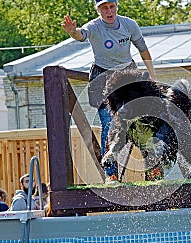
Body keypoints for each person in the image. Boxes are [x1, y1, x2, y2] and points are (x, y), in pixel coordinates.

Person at [61, 0, 157, 182]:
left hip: (128, 74)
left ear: (116, 7)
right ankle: (111, 173)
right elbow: (81, 35)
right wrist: (72, 32)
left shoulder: (129, 24)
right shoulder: (94, 26)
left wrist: (152, 75)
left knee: (141, 121)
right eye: (104, 8)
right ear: (98, 10)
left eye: (111, 6)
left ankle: (152, 169)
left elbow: (143, 50)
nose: (109, 11)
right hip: (103, 77)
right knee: (109, 123)